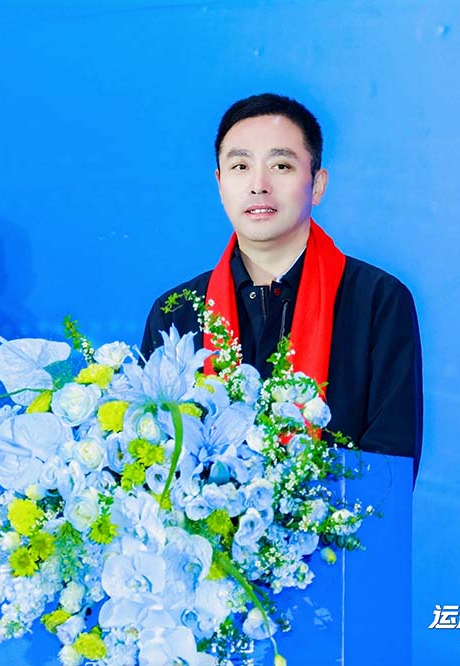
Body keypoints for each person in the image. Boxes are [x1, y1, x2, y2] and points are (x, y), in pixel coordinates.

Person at [140, 93, 423, 481]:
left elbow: (389, 467)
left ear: (317, 184)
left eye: (281, 166)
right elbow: (152, 458)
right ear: (220, 183)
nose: (259, 185)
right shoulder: (176, 312)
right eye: (240, 166)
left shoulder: (378, 302)